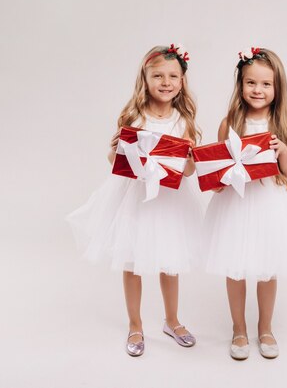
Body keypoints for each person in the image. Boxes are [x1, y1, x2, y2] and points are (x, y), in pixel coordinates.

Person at [67, 44, 202, 357]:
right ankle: (135, 324)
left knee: (170, 263)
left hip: (169, 201)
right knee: (133, 263)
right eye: (158, 75)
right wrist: (115, 147)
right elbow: (116, 160)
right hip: (136, 199)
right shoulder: (134, 116)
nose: (165, 82)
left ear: (182, 82)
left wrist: (191, 156)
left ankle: (172, 320)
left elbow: (188, 171)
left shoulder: (183, 120)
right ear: (146, 78)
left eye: (172, 76)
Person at [204, 47, 287, 360]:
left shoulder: (281, 122)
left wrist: (282, 149)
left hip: (271, 205)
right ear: (240, 85)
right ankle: (239, 328)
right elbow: (219, 173)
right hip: (237, 205)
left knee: (268, 270)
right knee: (235, 268)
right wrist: (214, 178)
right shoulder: (230, 121)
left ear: (277, 88)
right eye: (250, 83)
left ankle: (266, 327)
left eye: (265, 84)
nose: (257, 90)